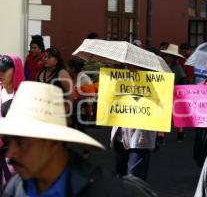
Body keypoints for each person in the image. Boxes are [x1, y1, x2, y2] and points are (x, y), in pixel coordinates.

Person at [1, 81, 129, 197]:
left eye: (21, 142)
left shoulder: (105, 190)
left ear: (53, 142)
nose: (10, 153)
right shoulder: (14, 188)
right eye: (9, 141)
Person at [110, 64, 157, 181]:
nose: (129, 68)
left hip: (139, 138)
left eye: (132, 66)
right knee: (120, 176)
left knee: (134, 177)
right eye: (127, 66)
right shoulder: (120, 81)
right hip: (120, 137)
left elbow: (153, 111)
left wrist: (143, 134)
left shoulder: (151, 84)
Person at [0, 54, 24, 194]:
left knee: (11, 187)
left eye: (4, 70)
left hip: (13, 151)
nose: (0, 74)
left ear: (16, 71)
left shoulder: (24, 93)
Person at [37, 48, 74, 119]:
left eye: (49, 57)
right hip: (43, 111)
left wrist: (66, 109)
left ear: (56, 60)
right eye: (44, 57)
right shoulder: (40, 73)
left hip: (58, 111)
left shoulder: (62, 74)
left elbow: (71, 94)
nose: (45, 59)